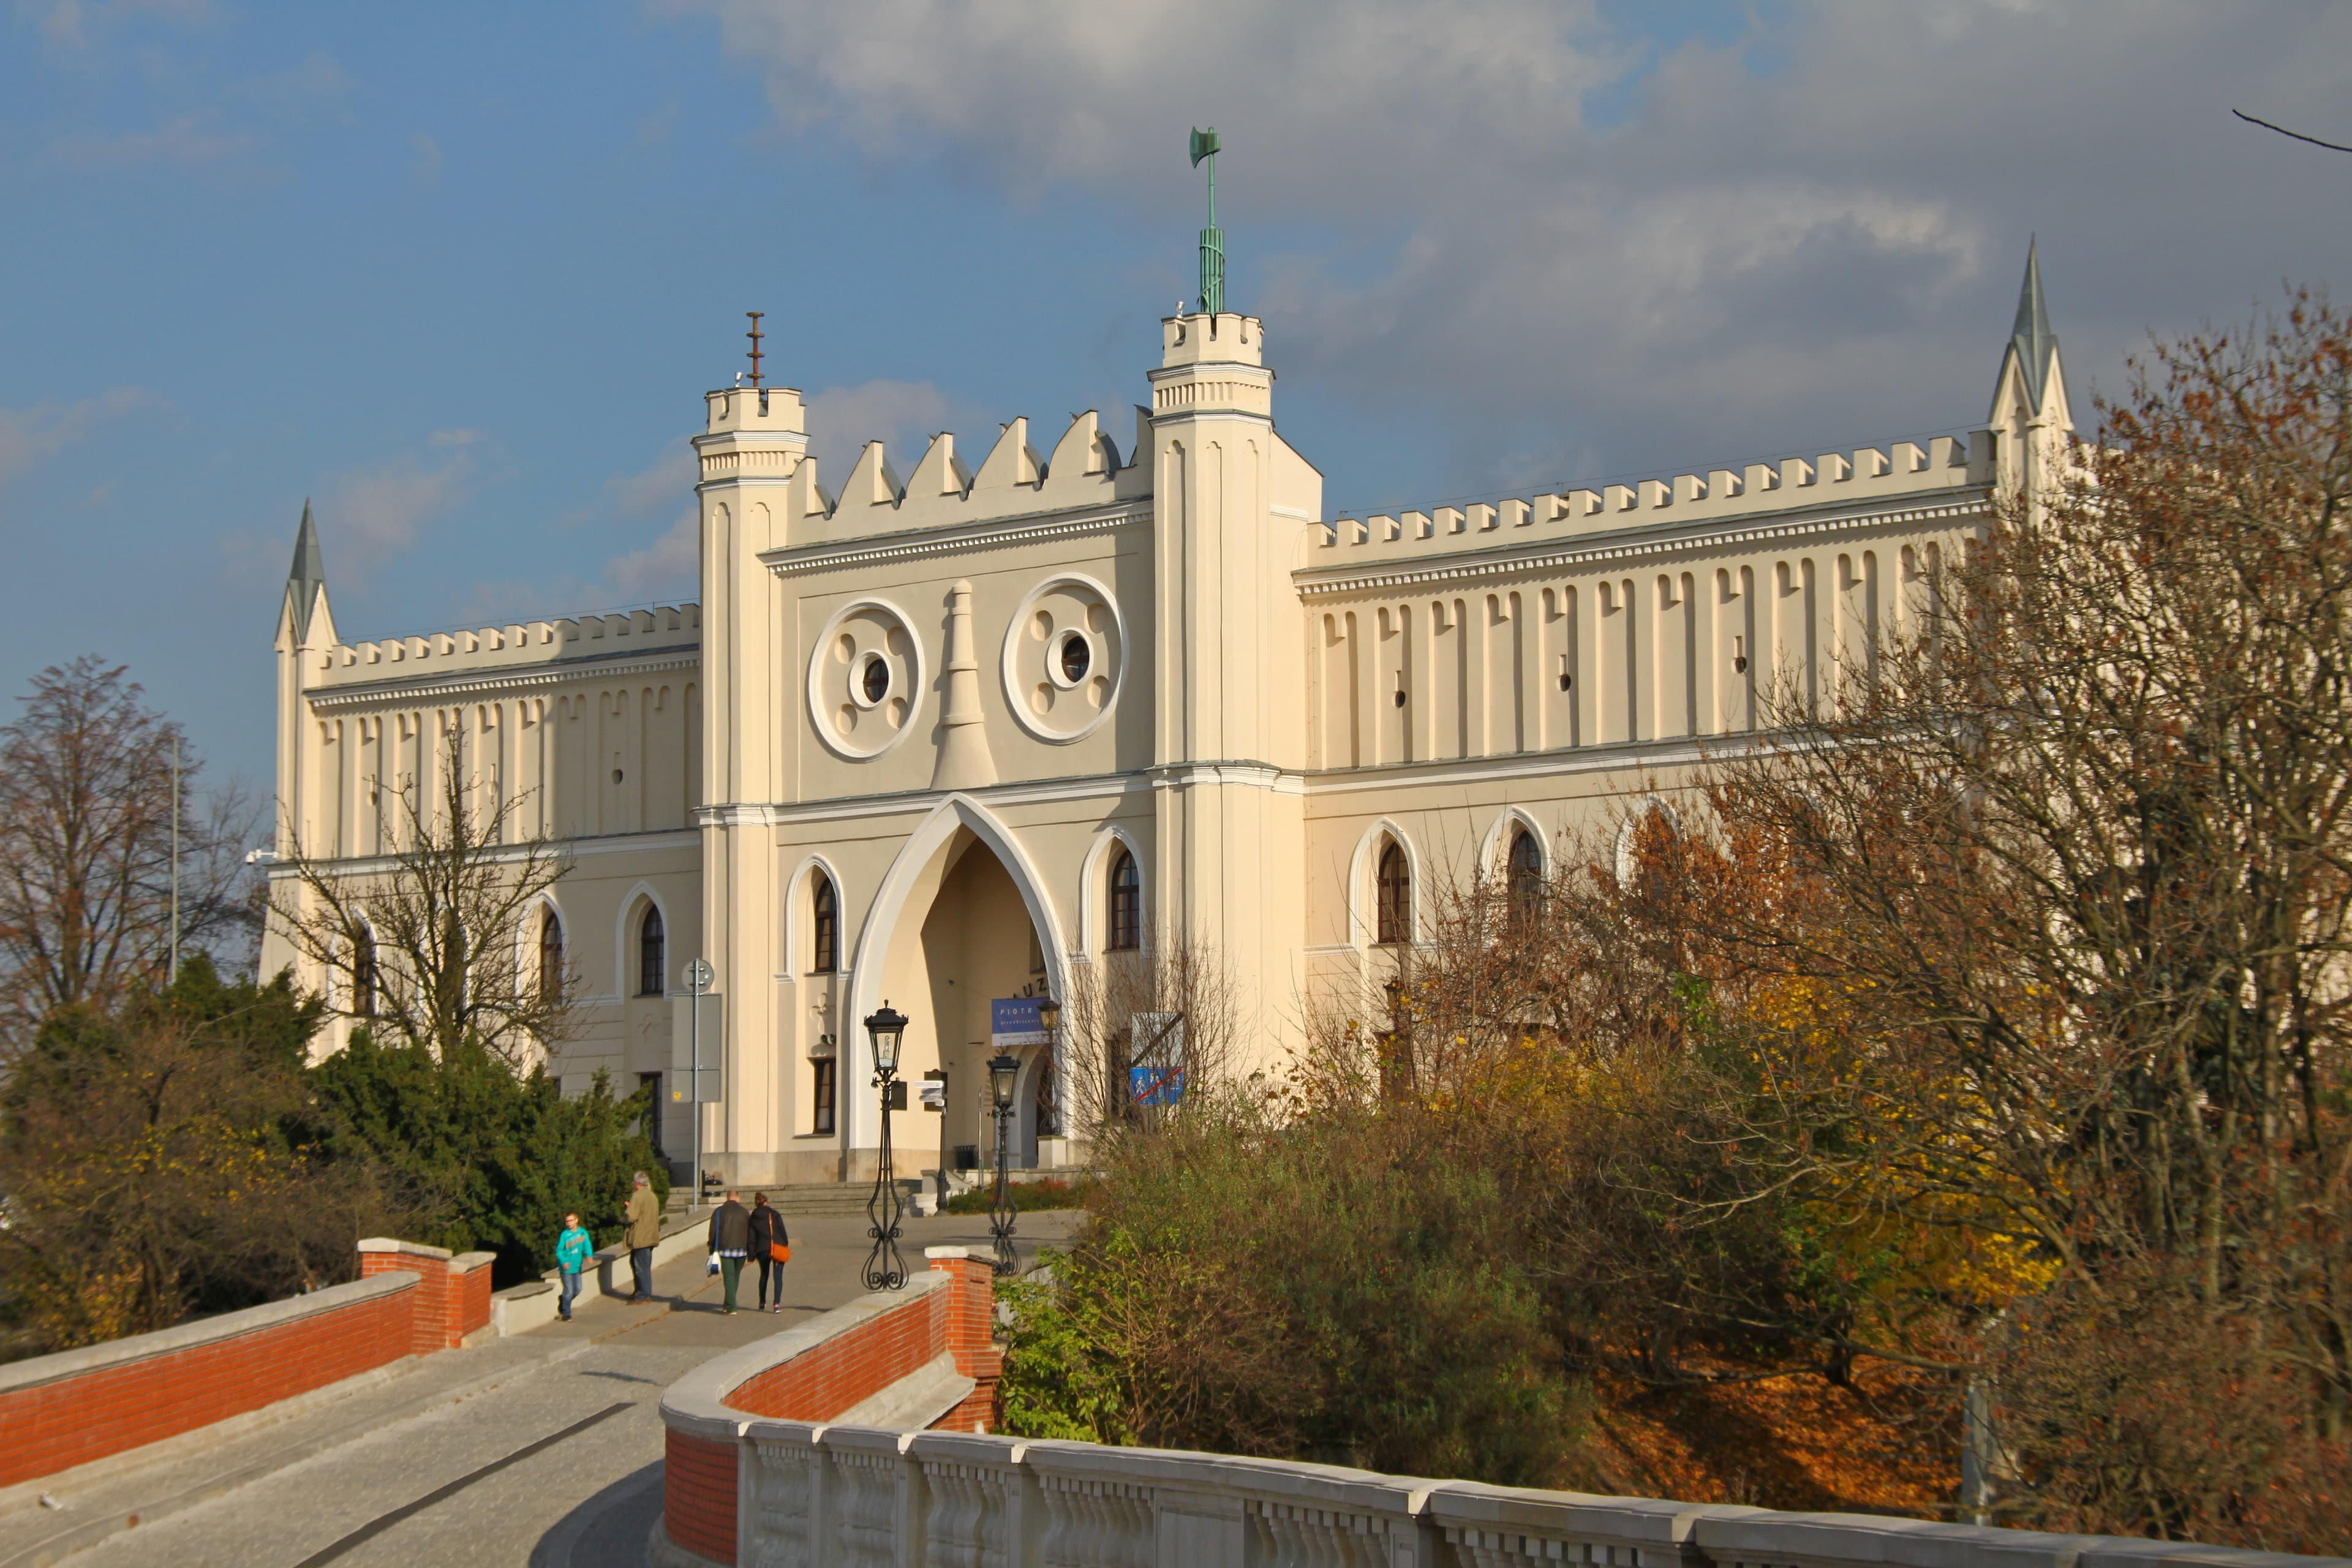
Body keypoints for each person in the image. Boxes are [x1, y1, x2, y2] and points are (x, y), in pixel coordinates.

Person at [708, 1190, 753, 1314]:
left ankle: (732, 1307)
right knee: (735, 1277)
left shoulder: (719, 1212)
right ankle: (728, 1304)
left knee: (729, 1278)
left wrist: (711, 1247)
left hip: (725, 1249)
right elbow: (750, 1231)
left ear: (727, 1198)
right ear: (737, 1198)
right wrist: (751, 1250)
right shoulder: (744, 1212)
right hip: (742, 1250)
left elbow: (713, 1232)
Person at [748, 1193, 790, 1313]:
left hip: (762, 1249)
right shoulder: (774, 1214)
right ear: (766, 1202)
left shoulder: (753, 1217)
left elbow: (751, 1237)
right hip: (777, 1247)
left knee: (764, 1275)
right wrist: (785, 1244)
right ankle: (776, 1304)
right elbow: (782, 1231)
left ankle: (762, 1302)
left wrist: (751, 1254)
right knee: (778, 1276)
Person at [625, 1171, 661, 1303]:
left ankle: (643, 1295)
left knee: (641, 1267)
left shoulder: (637, 1196)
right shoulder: (652, 1196)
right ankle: (639, 1290)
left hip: (641, 1237)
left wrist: (625, 1214)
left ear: (637, 1183)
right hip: (651, 1235)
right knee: (639, 1264)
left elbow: (631, 1216)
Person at [555, 1211, 594, 1322]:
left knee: (578, 1289)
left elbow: (587, 1245)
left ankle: (563, 1302)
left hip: (577, 1267)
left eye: (571, 1221)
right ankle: (566, 1314)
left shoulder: (582, 1233)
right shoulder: (565, 1235)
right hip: (566, 1268)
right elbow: (559, 1251)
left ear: (576, 1220)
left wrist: (589, 1255)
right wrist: (564, 1262)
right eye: (567, 1221)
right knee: (569, 1291)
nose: (568, 1223)